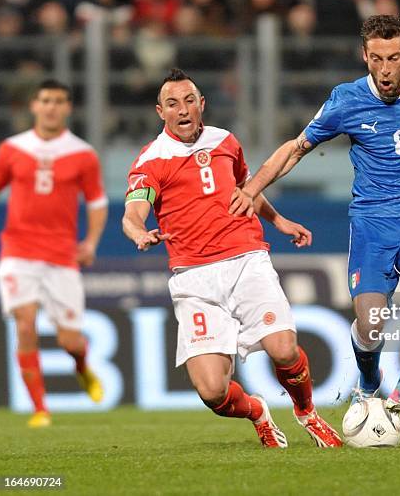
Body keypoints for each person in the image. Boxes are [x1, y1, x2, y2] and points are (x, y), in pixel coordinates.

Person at [230, 15, 400, 416]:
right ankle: (370, 380)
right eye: (376, 59)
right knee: (371, 324)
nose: (385, 69)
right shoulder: (346, 101)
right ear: (364, 56)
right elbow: (295, 149)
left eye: (393, 58)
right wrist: (252, 189)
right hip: (372, 224)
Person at [122, 68, 342, 448]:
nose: (183, 109)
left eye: (189, 100)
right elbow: (133, 211)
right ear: (161, 112)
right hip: (194, 279)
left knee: (284, 349)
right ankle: (257, 412)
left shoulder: (225, 141)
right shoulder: (151, 160)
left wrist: (279, 221)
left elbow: (244, 190)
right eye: (173, 104)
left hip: (246, 260)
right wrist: (140, 232)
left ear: (201, 103)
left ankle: (307, 413)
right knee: (212, 392)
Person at [0, 80, 108, 428]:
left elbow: (97, 203)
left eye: (58, 101)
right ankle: (40, 409)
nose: (51, 107)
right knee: (25, 324)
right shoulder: (12, 149)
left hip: (62, 256)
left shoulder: (82, 154)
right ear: (34, 106)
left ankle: (81, 366)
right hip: (18, 250)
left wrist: (89, 242)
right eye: (45, 100)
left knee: (70, 340)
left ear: (68, 108)